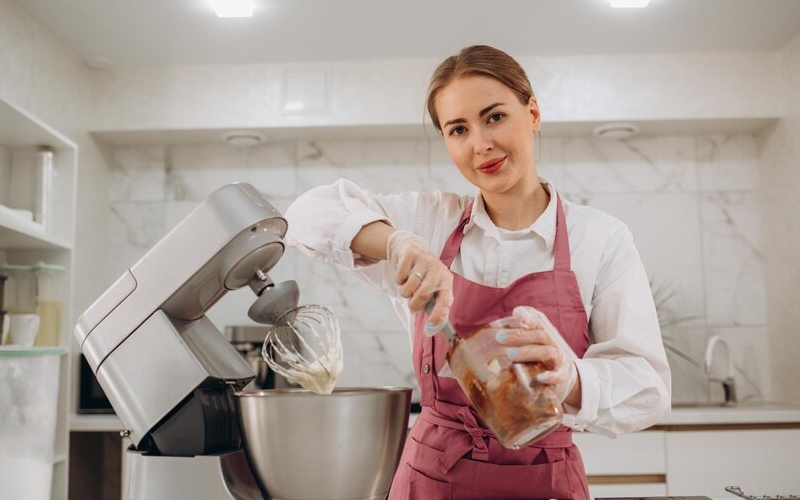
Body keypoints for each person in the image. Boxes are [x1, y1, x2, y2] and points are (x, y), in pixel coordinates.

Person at [284, 45, 671, 500]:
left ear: (533, 113)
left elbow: (648, 387)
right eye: (458, 129)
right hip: (432, 479)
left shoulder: (600, 238)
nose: (479, 144)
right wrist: (395, 242)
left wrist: (571, 379)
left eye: (494, 117)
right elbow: (306, 214)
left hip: (545, 481)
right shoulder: (429, 221)